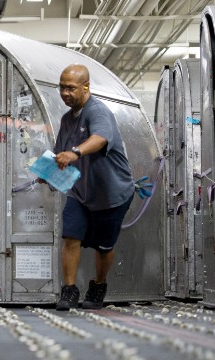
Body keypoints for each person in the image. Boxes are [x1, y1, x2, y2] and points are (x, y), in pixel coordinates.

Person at [50, 64, 135, 311]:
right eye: (62, 87)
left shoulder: (98, 112)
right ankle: (69, 291)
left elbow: (100, 139)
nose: (65, 93)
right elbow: (60, 154)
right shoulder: (67, 120)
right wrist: (49, 172)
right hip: (80, 192)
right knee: (71, 237)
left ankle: (98, 285)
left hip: (112, 194)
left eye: (71, 88)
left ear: (86, 87)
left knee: (104, 247)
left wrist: (75, 152)